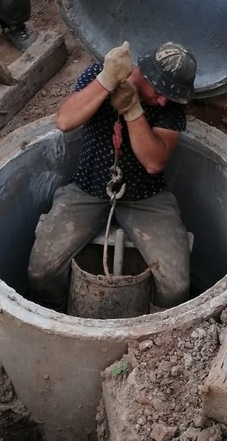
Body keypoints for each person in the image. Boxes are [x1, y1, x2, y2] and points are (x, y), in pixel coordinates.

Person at [27, 40, 197, 312]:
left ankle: (159, 341)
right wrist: (106, 81)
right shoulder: (100, 74)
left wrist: (133, 110)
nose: (163, 100)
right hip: (88, 189)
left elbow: (154, 162)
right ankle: (55, 315)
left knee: (176, 285)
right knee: (40, 271)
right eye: (159, 91)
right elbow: (64, 121)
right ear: (143, 73)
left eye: (170, 96)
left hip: (146, 196)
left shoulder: (170, 103)